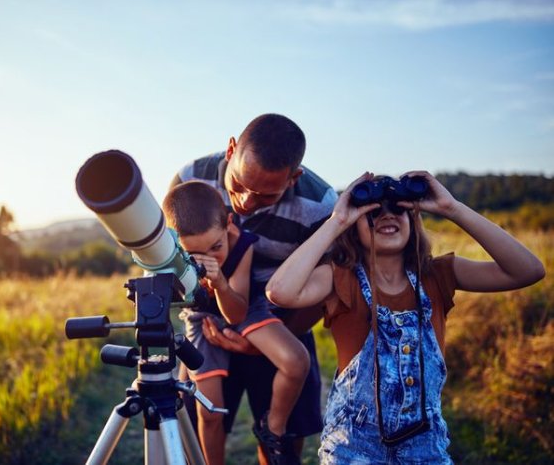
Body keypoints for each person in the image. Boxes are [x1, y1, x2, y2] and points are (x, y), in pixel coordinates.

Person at [265, 171, 545, 464]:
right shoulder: (340, 279)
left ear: (414, 218)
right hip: (352, 446)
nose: (388, 216)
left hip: (425, 446)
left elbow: (528, 270)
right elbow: (279, 291)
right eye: (373, 212)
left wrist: (452, 208)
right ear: (353, 226)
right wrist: (337, 221)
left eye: (399, 209)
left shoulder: (437, 275)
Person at [170, 113, 338, 464]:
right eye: (238, 185)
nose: (245, 201)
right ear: (231, 150)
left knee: (283, 445)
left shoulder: (321, 206)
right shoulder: (190, 179)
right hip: (207, 320)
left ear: (294, 178)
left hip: (278, 320)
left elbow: (328, 286)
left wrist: (260, 344)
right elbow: (170, 257)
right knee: (199, 427)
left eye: (265, 196)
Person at [163, 181, 311, 465]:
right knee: (209, 411)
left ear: (229, 224)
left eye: (216, 246)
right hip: (201, 318)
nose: (209, 259)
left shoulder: (242, 244)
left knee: (296, 361)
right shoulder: (172, 258)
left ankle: (274, 428)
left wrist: (219, 282)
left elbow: (236, 315)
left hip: (242, 306)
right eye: (194, 255)